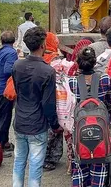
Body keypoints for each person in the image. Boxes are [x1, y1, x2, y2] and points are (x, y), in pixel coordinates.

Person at [12, 27, 62, 187]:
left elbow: (19, 91)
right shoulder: (48, 71)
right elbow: (48, 104)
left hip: (19, 121)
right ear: (43, 45)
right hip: (37, 125)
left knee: (19, 161)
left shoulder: (17, 66)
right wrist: (55, 125)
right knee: (35, 166)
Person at [69, 47, 111, 187]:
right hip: (101, 132)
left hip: (80, 131)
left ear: (78, 63)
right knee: (99, 167)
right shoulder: (105, 80)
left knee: (80, 169)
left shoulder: (72, 82)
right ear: (95, 62)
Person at [0, 30, 19, 157]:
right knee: (5, 119)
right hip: (4, 90)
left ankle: (5, 142)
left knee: (0, 118)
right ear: (14, 40)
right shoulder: (12, 53)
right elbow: (8, 70)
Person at [42, 32, 63, 172]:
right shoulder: (56, 59)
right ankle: (50, 158)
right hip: (55, 98)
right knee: (55, 128)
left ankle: (40, 156)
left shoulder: (38, 57)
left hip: (38, 99)